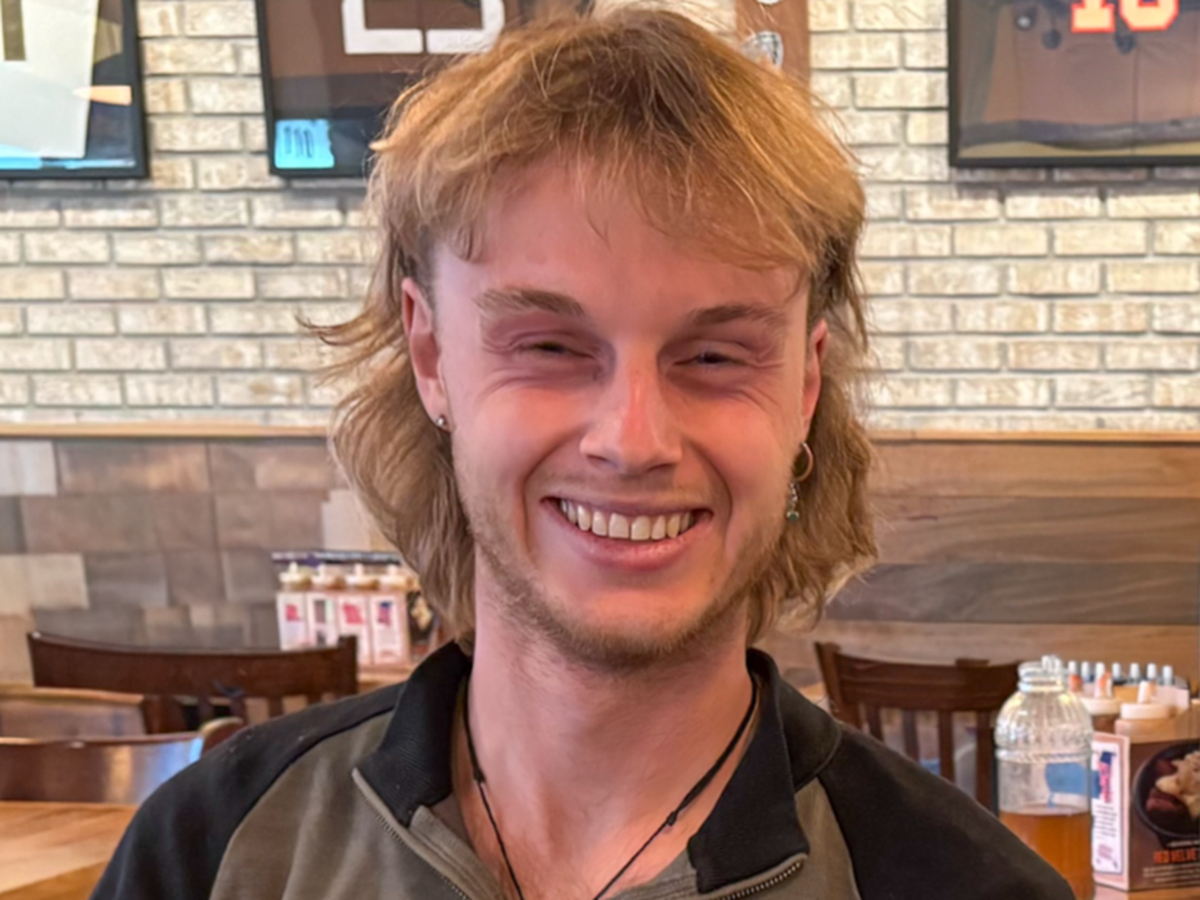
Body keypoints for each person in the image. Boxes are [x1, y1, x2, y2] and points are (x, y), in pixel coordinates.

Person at [93, 8, 1073, 900]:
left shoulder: (962, 885)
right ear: (432, 356)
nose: (633, 441)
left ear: (804, 388)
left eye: (715, 356)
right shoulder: (213, 849)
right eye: (552, 348)